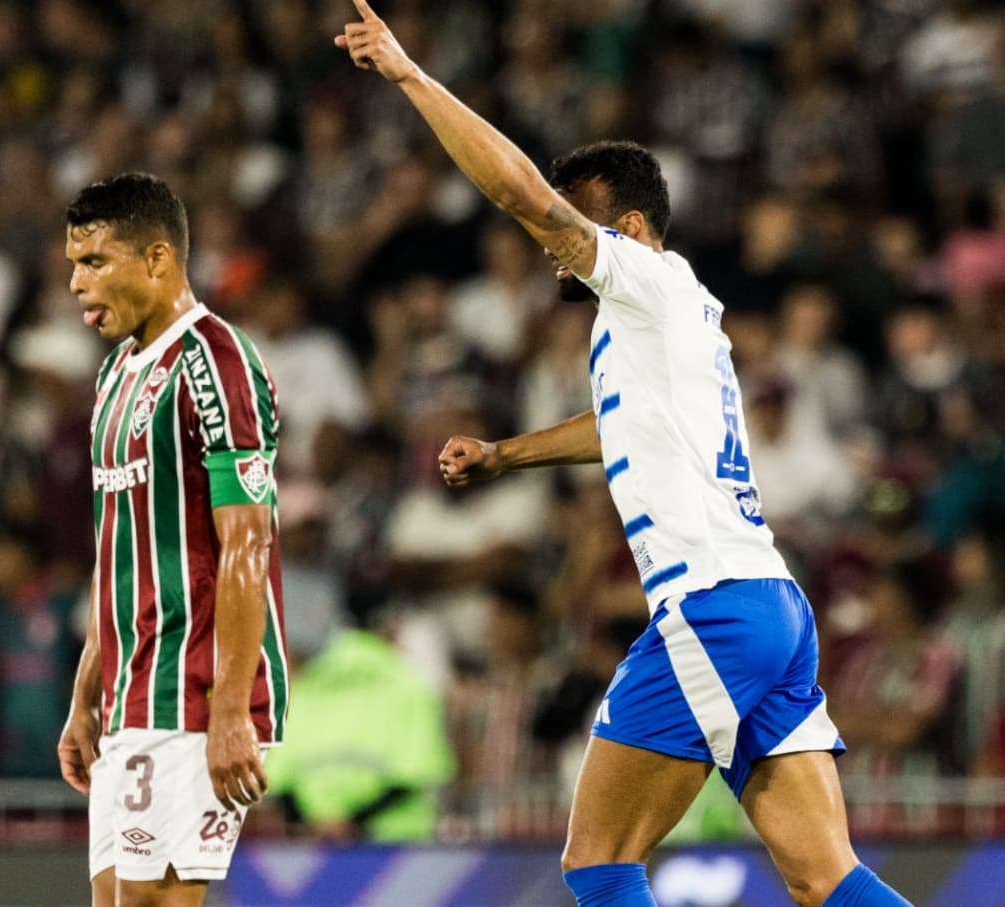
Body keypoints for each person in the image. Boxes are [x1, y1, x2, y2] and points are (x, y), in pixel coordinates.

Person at [334, 4, 913, 905]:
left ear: (634, 229)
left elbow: (522, 196)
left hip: (710, 608)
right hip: (769, 604)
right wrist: (504, 455)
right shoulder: (671, 320)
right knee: (823, 875)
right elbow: (621, 426)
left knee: (598, 861)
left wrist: (412, 77)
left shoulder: (645, 281)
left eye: (582, 229)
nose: (557, 256)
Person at [55, 173, 288, 907]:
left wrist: (227, 712)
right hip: (131, 689)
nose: (74, 283)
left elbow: (247, 544)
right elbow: (124, 553)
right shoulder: (116, 374)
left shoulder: (215, 361)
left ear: (158, 259)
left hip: (190, 690)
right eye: (72, 263)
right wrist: (86, 692)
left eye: (93, 262)